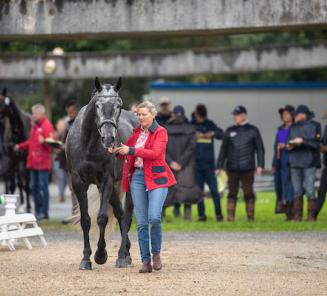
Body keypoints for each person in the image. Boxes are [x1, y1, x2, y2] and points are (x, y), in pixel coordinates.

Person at [109, 101, 176, 273]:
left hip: (157, 177)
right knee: (141, 222)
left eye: (143, 114)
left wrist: (130, 150)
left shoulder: (161, 132)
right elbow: (126, 152)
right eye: (138, 114)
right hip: (137, 177)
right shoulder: (136, 133)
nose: (140, 117)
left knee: (154, 217)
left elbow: (154, 153)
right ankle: (145, 261)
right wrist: (116, 151)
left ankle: (156, 254)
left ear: (153, 115)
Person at [216, 105, 265, 222]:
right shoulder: (229, 130)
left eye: (237, 115)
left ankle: (250, 217)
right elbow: (223, 150)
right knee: (232, 193)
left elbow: (260, 149)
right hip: (232, 168)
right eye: (234, 115)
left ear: (244, 115)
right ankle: (230, 217)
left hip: (248, 167)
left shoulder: (253, 130)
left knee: (248, 193)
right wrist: (219, 166)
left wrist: (260, 165)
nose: (235, 117)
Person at [15, 104, 55, 220]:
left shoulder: (47, 126)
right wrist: (19, 146)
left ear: (41, 114)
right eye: (33, 113)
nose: (33, 116)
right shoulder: (34, 126)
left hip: (43, 164)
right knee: (34, 188)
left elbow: (53, 143)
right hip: (33, 163)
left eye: (35, 113)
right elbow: (30, 142)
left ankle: (44, 212)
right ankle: (38, 211)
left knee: (43, 188)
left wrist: (44, 142)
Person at [165, 105, 201, 220]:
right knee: (186, 189)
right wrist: (181, 163)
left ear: (173, 115)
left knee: (167, 188)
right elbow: (191, 148)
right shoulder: (191, 129)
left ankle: (161, 216)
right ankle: (187, 217)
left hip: (169, 165)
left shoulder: (165, 129)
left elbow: (161, 148)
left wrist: (171, 162)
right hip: (186, 166)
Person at [286, 105, 320, 221]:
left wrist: (303, 141)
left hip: (309, 163)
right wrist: (289, 145)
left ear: (304, 114)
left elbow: (316, 144)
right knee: (297, 191)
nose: (295, 116)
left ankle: (311, 216)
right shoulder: (292, 127)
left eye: (297, 114)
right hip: (294, 162)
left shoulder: (315, 126)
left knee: (310, 190)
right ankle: (297, 216)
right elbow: (288, 141)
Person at [191, 104, 224, 222]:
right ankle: (201, 215)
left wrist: (213, 133)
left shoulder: (210, 124)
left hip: (209, 166)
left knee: (214, 190)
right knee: (199, 191)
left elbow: (222, 134)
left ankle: (219, 215)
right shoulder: (192, 126)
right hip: (197, 165)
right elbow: (186, 138)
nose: (199, 119)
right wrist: (193, 136)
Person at [273, 105, 294, 220]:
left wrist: (285, 146)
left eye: (287, 114)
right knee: (281, 187)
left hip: (292, 161)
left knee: (291, 187)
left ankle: (292, 212)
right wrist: (274, 163)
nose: (284, 116)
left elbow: (294, 145)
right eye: (283, 114)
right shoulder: (281, 129)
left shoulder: (295, 128)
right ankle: (285, 211)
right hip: (281, 161)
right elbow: (276, 147)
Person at [316, 109, 327, 218]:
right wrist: (318, 145)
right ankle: (313, 215)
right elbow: (322, 142)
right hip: (326, 166)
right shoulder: (326, 128)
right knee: (321, 191)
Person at [53, 118, 67, 203]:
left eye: (63, 125)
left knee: (64, 178)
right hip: (56, 159)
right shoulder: (54, 135)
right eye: (60, 125)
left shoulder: (67, 133)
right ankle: (61, 194)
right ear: (57, 126)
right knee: (60, 177)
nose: (61, 127)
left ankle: (62, 192)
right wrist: (55, 149)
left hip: (65, 159)